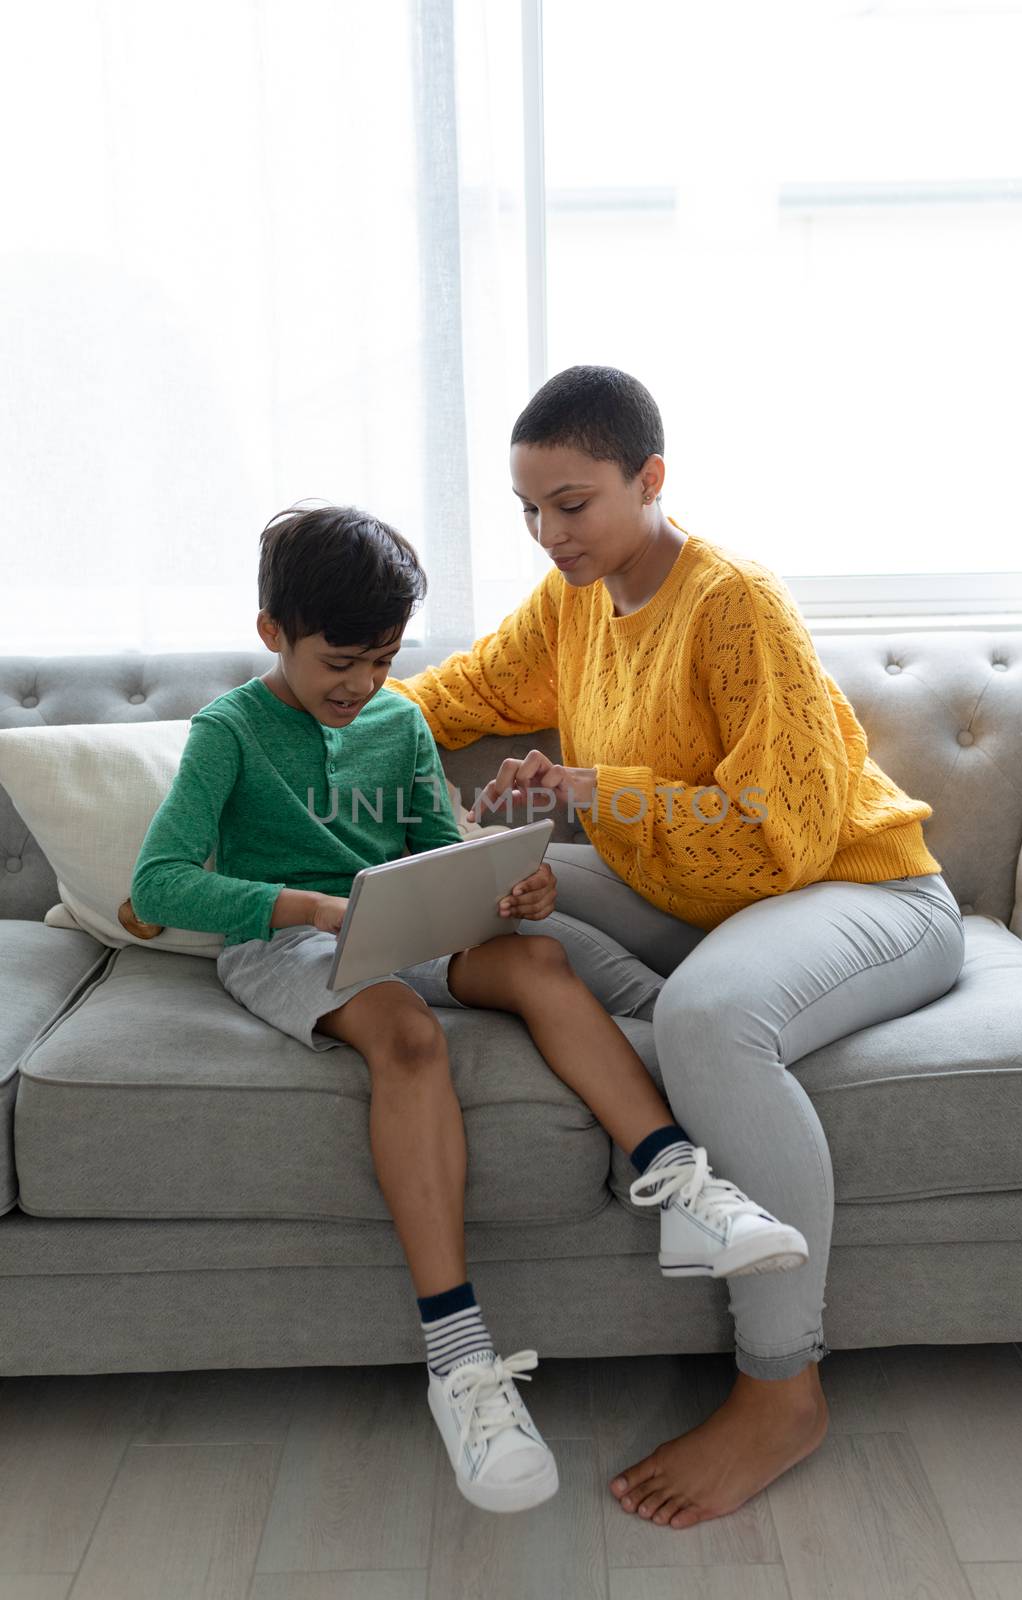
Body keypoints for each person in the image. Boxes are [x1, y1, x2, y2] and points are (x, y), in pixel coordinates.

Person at [129, 500, 811, 1519]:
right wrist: (311, 903)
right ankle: (458, 1361)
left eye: (383, 660)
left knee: (537, 960)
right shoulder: (229, 729)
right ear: (274, 635)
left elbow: (431, 850)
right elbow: (161, 882)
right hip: (284, 938)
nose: (361, 687)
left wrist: (506, 890)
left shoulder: (397, 718)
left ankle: (679, 1189)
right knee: (403, 1034)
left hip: (401, 921)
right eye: (339, 663)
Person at [385, 365, 966, 1530]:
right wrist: (284, 719)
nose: (549, 534)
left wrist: (596, 788)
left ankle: (781, 1387)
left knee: (708, 1018)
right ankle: (685, 1029)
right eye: (528, 509)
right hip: (692, 902)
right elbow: (452, 696)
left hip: (861, 889)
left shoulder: (732, 604)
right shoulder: (572, 601)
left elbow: (785, 835)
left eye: (573, 502)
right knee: (472, 897)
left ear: (648, 479)